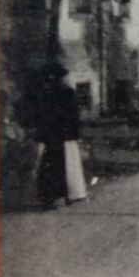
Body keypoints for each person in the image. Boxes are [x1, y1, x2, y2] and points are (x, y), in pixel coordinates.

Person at [23, 61, 87, 208]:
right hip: (63, 135)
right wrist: (74, 132)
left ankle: (53, 196)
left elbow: (40, 116)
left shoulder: (47, 93)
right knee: (66, 164)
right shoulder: (67, 94)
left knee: (51, 164)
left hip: (52, 135)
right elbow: (73, 116)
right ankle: (68, 194)